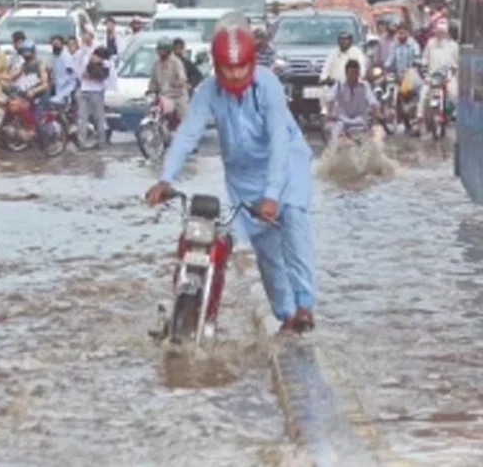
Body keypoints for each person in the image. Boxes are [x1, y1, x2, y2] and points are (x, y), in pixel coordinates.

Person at [144, 24, 316, 334]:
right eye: (228, 68)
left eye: (241, 68)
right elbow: (187, 133)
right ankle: (286, 314)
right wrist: (165, 179)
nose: (235, 76)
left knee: (293, 224)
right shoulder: (208, 90)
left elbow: (279, 140)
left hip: (287, 165)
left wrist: (274, 193)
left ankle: (304, 304)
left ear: (252, 63)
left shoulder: (269, 86)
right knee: (265, 249)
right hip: (244, 175)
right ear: (216, 66)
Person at [326, 59, 379, 141]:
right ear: (346, 73)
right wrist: (329, 114)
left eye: (356, 73)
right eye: (351, 73)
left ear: (358, 73)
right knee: (335, 137)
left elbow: (373, 102)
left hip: (360, 120)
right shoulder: (339, 85)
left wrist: (375, 120)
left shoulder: (364, 86)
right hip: (342, 120)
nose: (353, 76)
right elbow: (330, 99)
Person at [146, 38, 190, 129]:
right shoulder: (156, 64)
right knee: (154, 110)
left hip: (177, 96)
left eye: (162, 50)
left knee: (183, 120)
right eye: (159, 50)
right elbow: (153, 81)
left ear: (168, 50)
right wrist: (150, 90)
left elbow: (182, 77)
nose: (160, 52)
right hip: (164, 96)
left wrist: (178, 83)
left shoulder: (176, 62)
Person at [77, 43, 112, 148]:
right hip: (84, 91)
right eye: (94, 55)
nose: (94, 58)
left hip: (97, 92)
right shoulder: (85, 61)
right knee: (82, 118)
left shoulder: (105, 65)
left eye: (98, 57)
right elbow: (81, 73)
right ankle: (81, 143)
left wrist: (100, 63)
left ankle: (102, 142)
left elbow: (104, 74)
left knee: (99, 118)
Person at [49, 35, 77, 104]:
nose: (55, 46)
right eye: (53, 44)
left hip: (67, 89)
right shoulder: (55, 56)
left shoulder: (66, 56)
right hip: (58, 87)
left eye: (57, 44)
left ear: (62, 44)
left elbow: (71, 71)